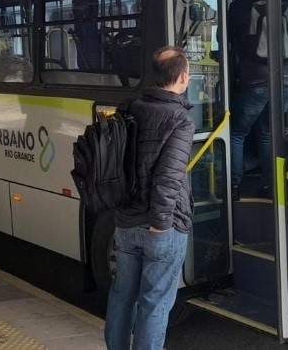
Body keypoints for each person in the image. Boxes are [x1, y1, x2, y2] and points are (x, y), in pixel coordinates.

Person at [104, 46, 195, 350]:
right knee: (154, 304)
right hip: (159, 226)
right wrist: (160, 225)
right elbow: (168, 179)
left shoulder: (130, 108)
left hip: (126, 221)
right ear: (183, 77)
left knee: (121, 296)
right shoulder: (181, 120)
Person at [228, 0, 288, 200]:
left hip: (254, 82)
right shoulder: (281, 4)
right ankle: (270, 185)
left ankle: (233, 186)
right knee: (268, 134)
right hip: (285, 80)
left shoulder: (240, 9)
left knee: (237, 133)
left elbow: (226, 40)